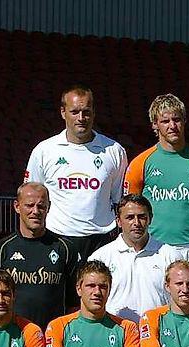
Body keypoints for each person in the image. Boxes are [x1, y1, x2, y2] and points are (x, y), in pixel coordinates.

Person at [24, 85, 128, 260]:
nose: (81, 118)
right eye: (74, 112)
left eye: (86, 112)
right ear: (63, 112)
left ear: (93, 113)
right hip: (57, 237)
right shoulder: (44, 151)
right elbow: (30, 196)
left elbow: (119, 199)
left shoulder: (114, 151)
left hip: (101, 239)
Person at [124, 93, 189, 262]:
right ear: (155, 124)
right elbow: (130, 210)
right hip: (154, 247)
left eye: (176, 119)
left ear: (184, 121)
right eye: (165, 121)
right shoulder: (140, 163)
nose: (172, 126)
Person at [0, 182, 83, 329]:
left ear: (48, 207)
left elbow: (74, 302)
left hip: (52, 336)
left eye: (41, 206)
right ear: (17, 206)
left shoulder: (66, 250)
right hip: (12, 335)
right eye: (29, 205)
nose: (35, 211)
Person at [89, 194, 182, 323]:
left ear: (150, 219)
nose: (136, 223)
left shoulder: (170, 255)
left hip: (158, 331)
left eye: (142, 217)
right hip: (115, 331)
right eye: (130, 217)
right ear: (119, 221)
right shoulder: (101, 257)